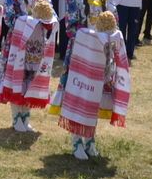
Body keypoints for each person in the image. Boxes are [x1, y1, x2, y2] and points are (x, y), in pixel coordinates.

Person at [50, 10, 130, 159]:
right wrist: (93, 35)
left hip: (103, 57)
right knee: (81, 95)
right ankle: (76, 140)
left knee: (95, 99)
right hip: (82, 54)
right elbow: (70, 28)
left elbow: (113, 17)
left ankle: (89, 138)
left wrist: (108, 33)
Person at [0, 0, 59, 132]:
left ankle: (25, 118)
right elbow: (9, 19)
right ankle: (16, 118)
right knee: (17, 81)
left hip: (37, 46)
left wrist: (46, 20)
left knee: (31, 83)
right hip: (19, 43)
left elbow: (53, 15)